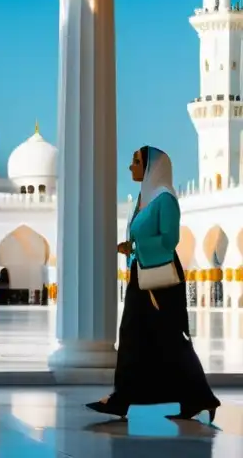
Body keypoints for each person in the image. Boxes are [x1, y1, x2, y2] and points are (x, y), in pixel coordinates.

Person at [87, 146, 220, 422]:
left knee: (170, 338)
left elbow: (170, 240)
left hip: (160, 280)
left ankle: (197, 397)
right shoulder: (144, 199)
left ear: (151, 167)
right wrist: (131, 247)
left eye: (136, 162)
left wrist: (138, 246)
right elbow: (145, 235)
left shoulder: (165, 199)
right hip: (142, 274)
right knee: (136, 337)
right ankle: (125, 398)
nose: (130, 167)